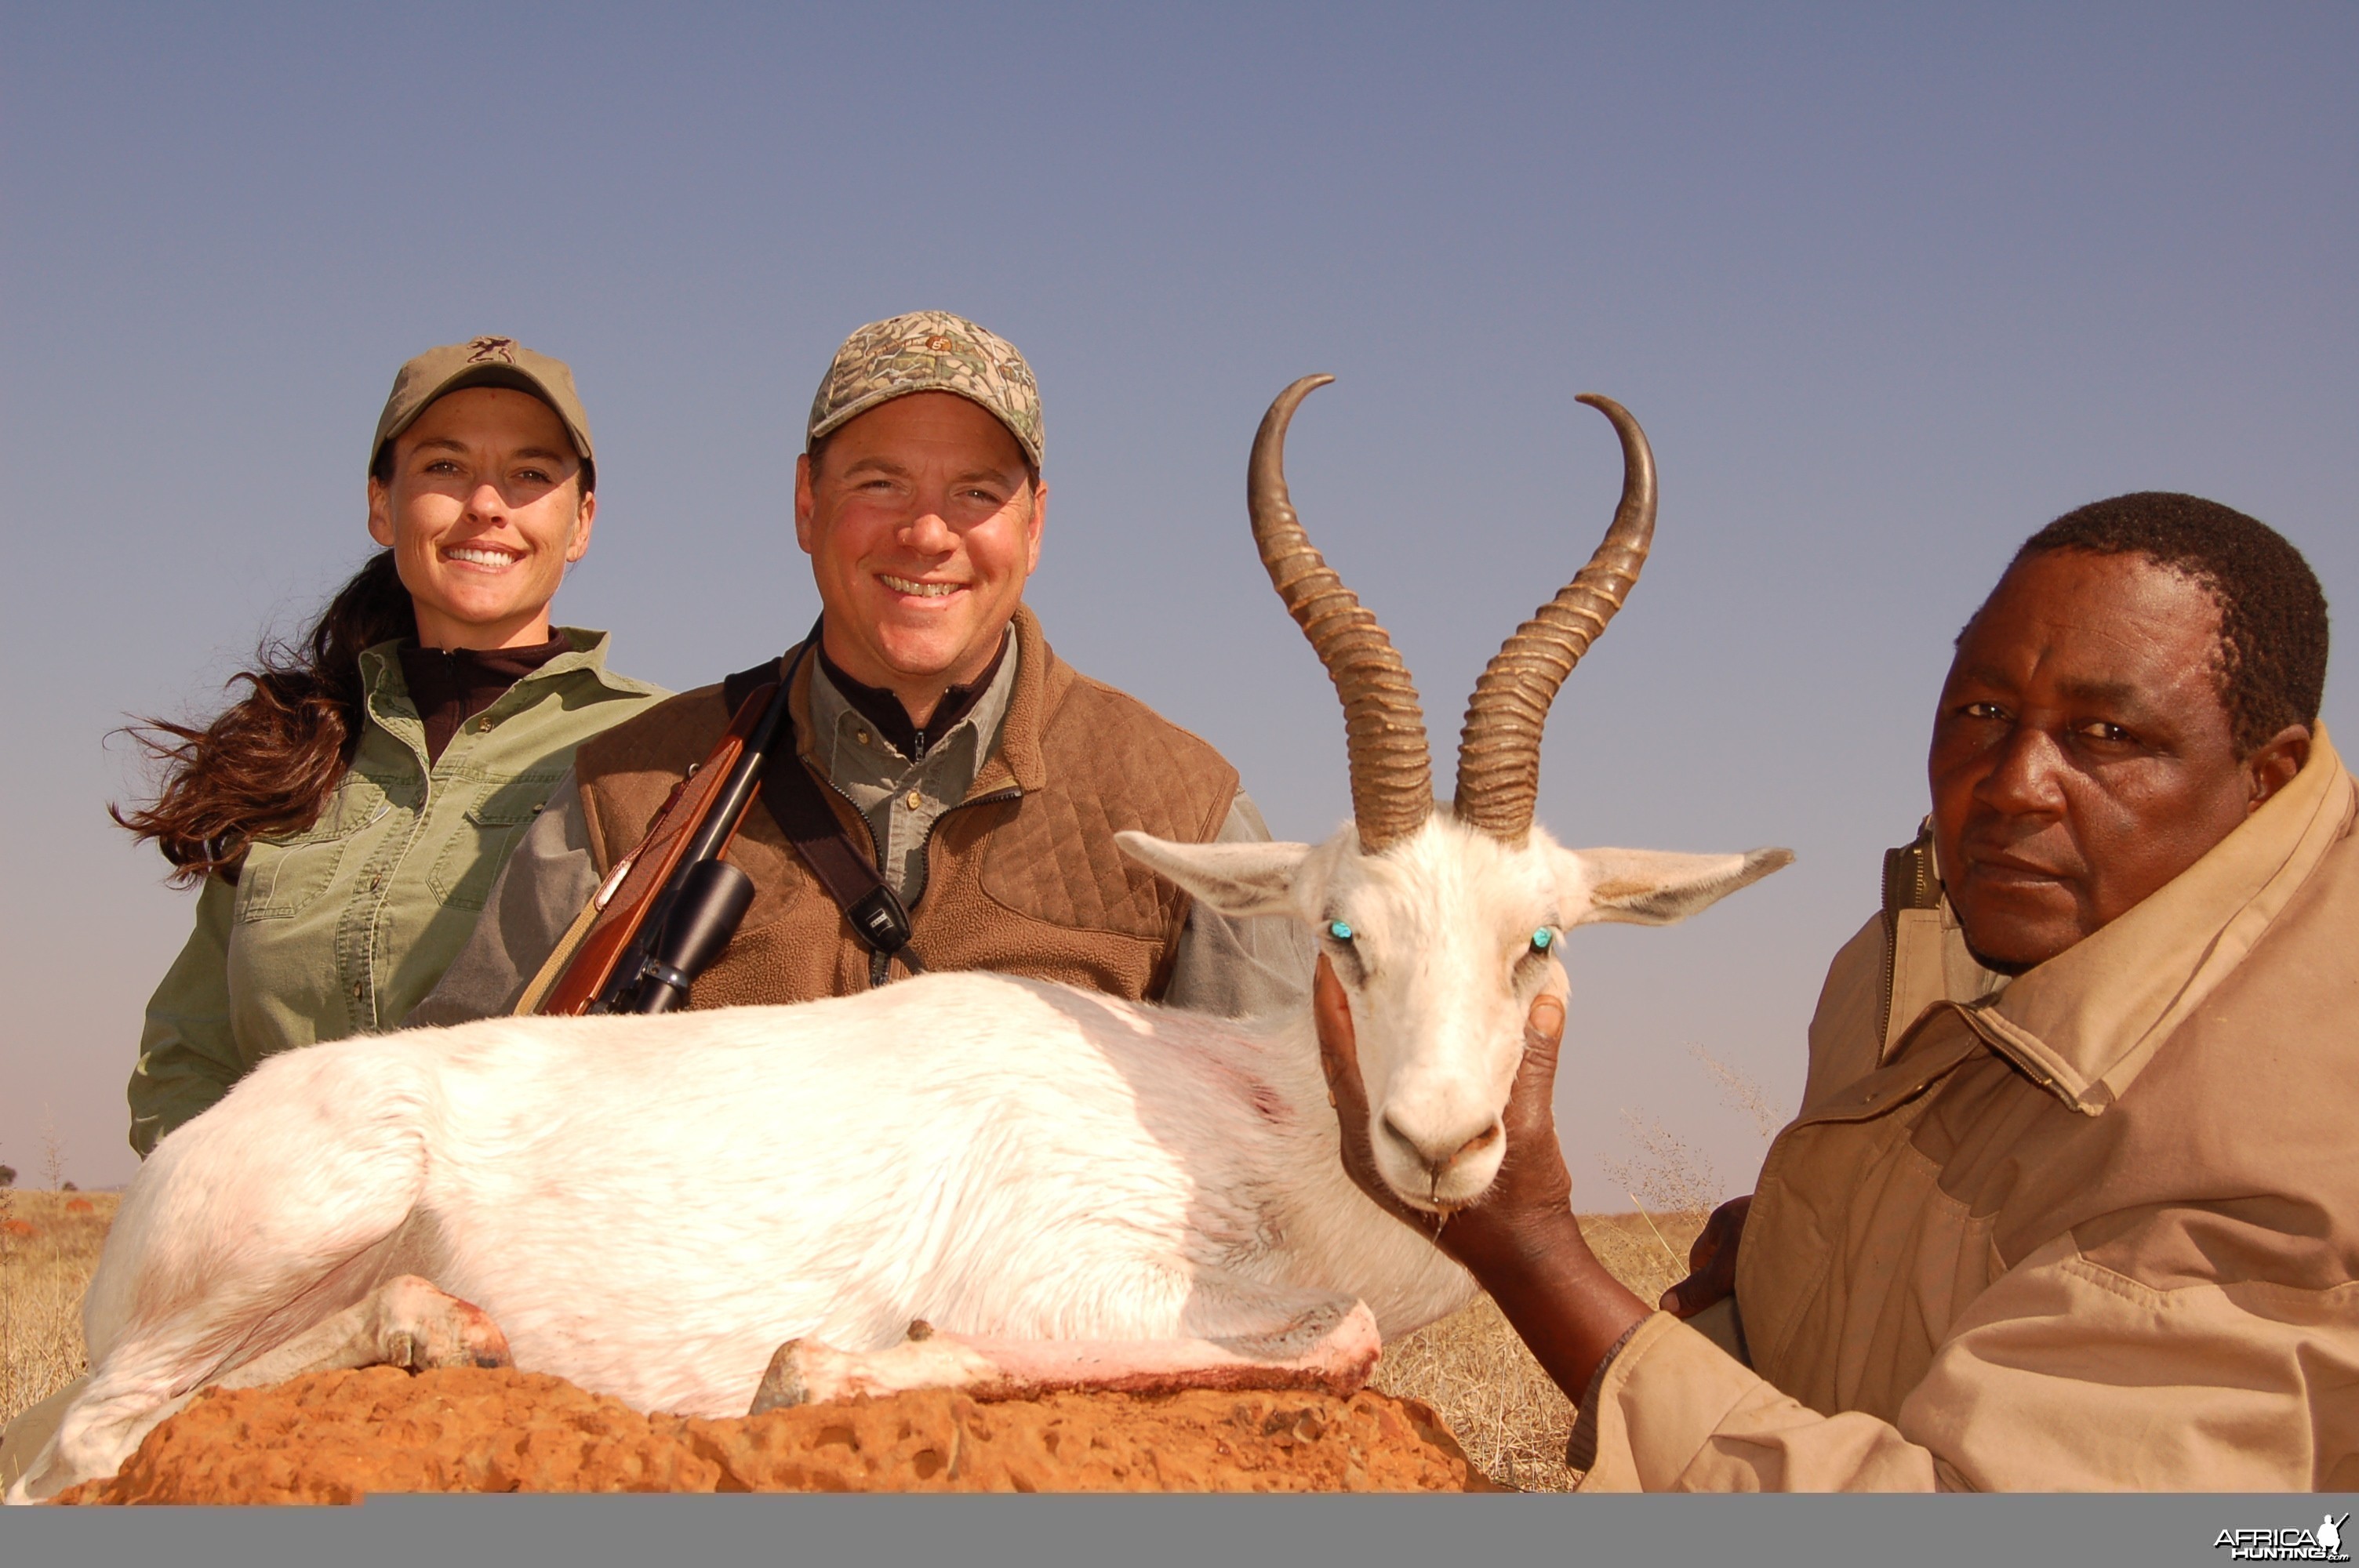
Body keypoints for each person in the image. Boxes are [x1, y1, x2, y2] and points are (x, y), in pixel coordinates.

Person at [1316, 492, 2355, 1490]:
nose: (2012, 784)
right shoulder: (1924, 939)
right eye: (1982, 711)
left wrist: (1531, 1250)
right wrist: (1794, 1261)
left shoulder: (2299, 1119)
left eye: (2108, 737)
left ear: (2266, 776)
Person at [412, 311, 1307, 1025]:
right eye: (879, 483)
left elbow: (1280, 1164)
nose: (925, 532)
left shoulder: (1189, 811)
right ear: (807, 503)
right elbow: (456, 1096)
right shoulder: (629, 793)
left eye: (975, 493)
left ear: (1033, 526)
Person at [116, 336, 667, 1155]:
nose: (487, 503)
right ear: (382, 504)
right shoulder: (290, 753)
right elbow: (186, 1056)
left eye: (528, 473)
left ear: (580, 519)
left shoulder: (666, 752)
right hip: (286, 1255)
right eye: (445, 467)